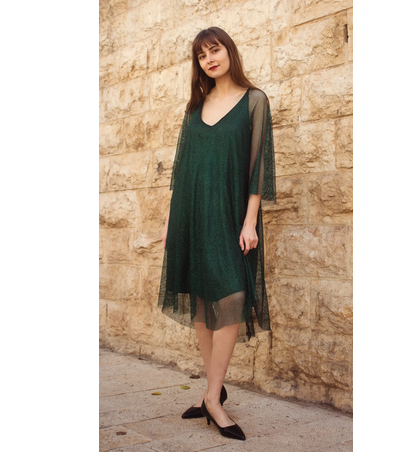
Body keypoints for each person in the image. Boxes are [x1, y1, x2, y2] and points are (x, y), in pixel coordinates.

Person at [157, 26, 277, 441]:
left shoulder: (254, 101)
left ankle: (211, 396)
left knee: (232, 296)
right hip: (190, 215)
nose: (209, 59)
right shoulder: (195, 107)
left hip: (230, 216)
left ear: (229, 52)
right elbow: (181, 171)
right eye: (201, 55)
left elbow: (259, 167)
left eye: (215, 50)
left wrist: (250, 221)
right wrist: (170, 221)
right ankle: (214, 393)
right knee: (201, 300)